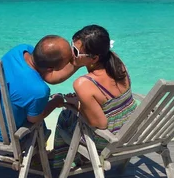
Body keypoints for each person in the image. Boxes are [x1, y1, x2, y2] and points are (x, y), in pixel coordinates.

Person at [52, 25, 139, 168]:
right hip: (131, 129)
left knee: (66, 116)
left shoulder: (83, 84)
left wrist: (76, 104)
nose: (70, 53)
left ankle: (66, 162)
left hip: (110, 140)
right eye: (71, 47)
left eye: (75, 51)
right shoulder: (116, 61)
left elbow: (100, 124)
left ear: (94, 58)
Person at [0, 35, 81, 142]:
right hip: (1, 143)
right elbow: (34, 119)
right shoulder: (39, 91)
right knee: (40, 124)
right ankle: (39, 156)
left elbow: (46, 76)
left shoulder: (20, 50)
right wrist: (56, 101)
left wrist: (77, 64)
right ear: (51, 69)